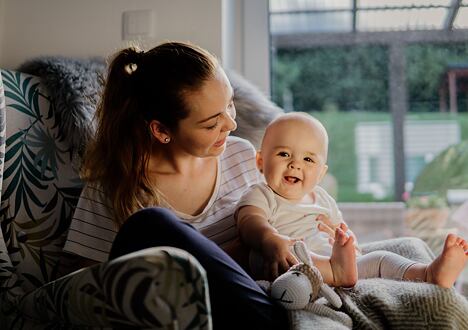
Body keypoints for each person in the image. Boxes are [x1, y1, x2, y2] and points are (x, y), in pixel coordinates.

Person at [63, 41, 288, 330]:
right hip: (176, 316)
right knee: (149, 224)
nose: (231, 124)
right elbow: (84, 284)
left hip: (257, 300)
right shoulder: (117, 188)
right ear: (161, 130)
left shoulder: (241, 156)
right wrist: (237, 250)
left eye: (229, 104)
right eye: (211, 124)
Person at [235, 112, 468, 289]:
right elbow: (249, 222)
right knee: (289, 256)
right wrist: (270, 238)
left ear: (321, 173)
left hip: (336, 263)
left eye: (308, 159)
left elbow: (339, 229)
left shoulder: (322, 199)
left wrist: (346, 240)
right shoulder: (261, 194)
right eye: (284, 154)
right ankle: (335, 272)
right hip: (286, 265)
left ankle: (427, 273)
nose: (295, 164)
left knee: (379, 260)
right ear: (260, 161)